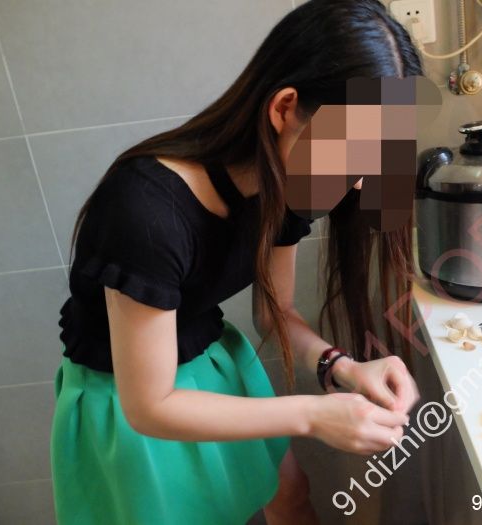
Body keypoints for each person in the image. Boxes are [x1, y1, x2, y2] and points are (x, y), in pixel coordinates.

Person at [50, 1, 425, 523]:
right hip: (126, 398)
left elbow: (277, 313)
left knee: (290, 495)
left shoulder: (289, 187)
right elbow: (149, 406)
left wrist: (340, 367)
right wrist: (312, 414)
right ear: (285, 108)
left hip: (212, 361)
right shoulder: (145, 212)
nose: (363, 182)